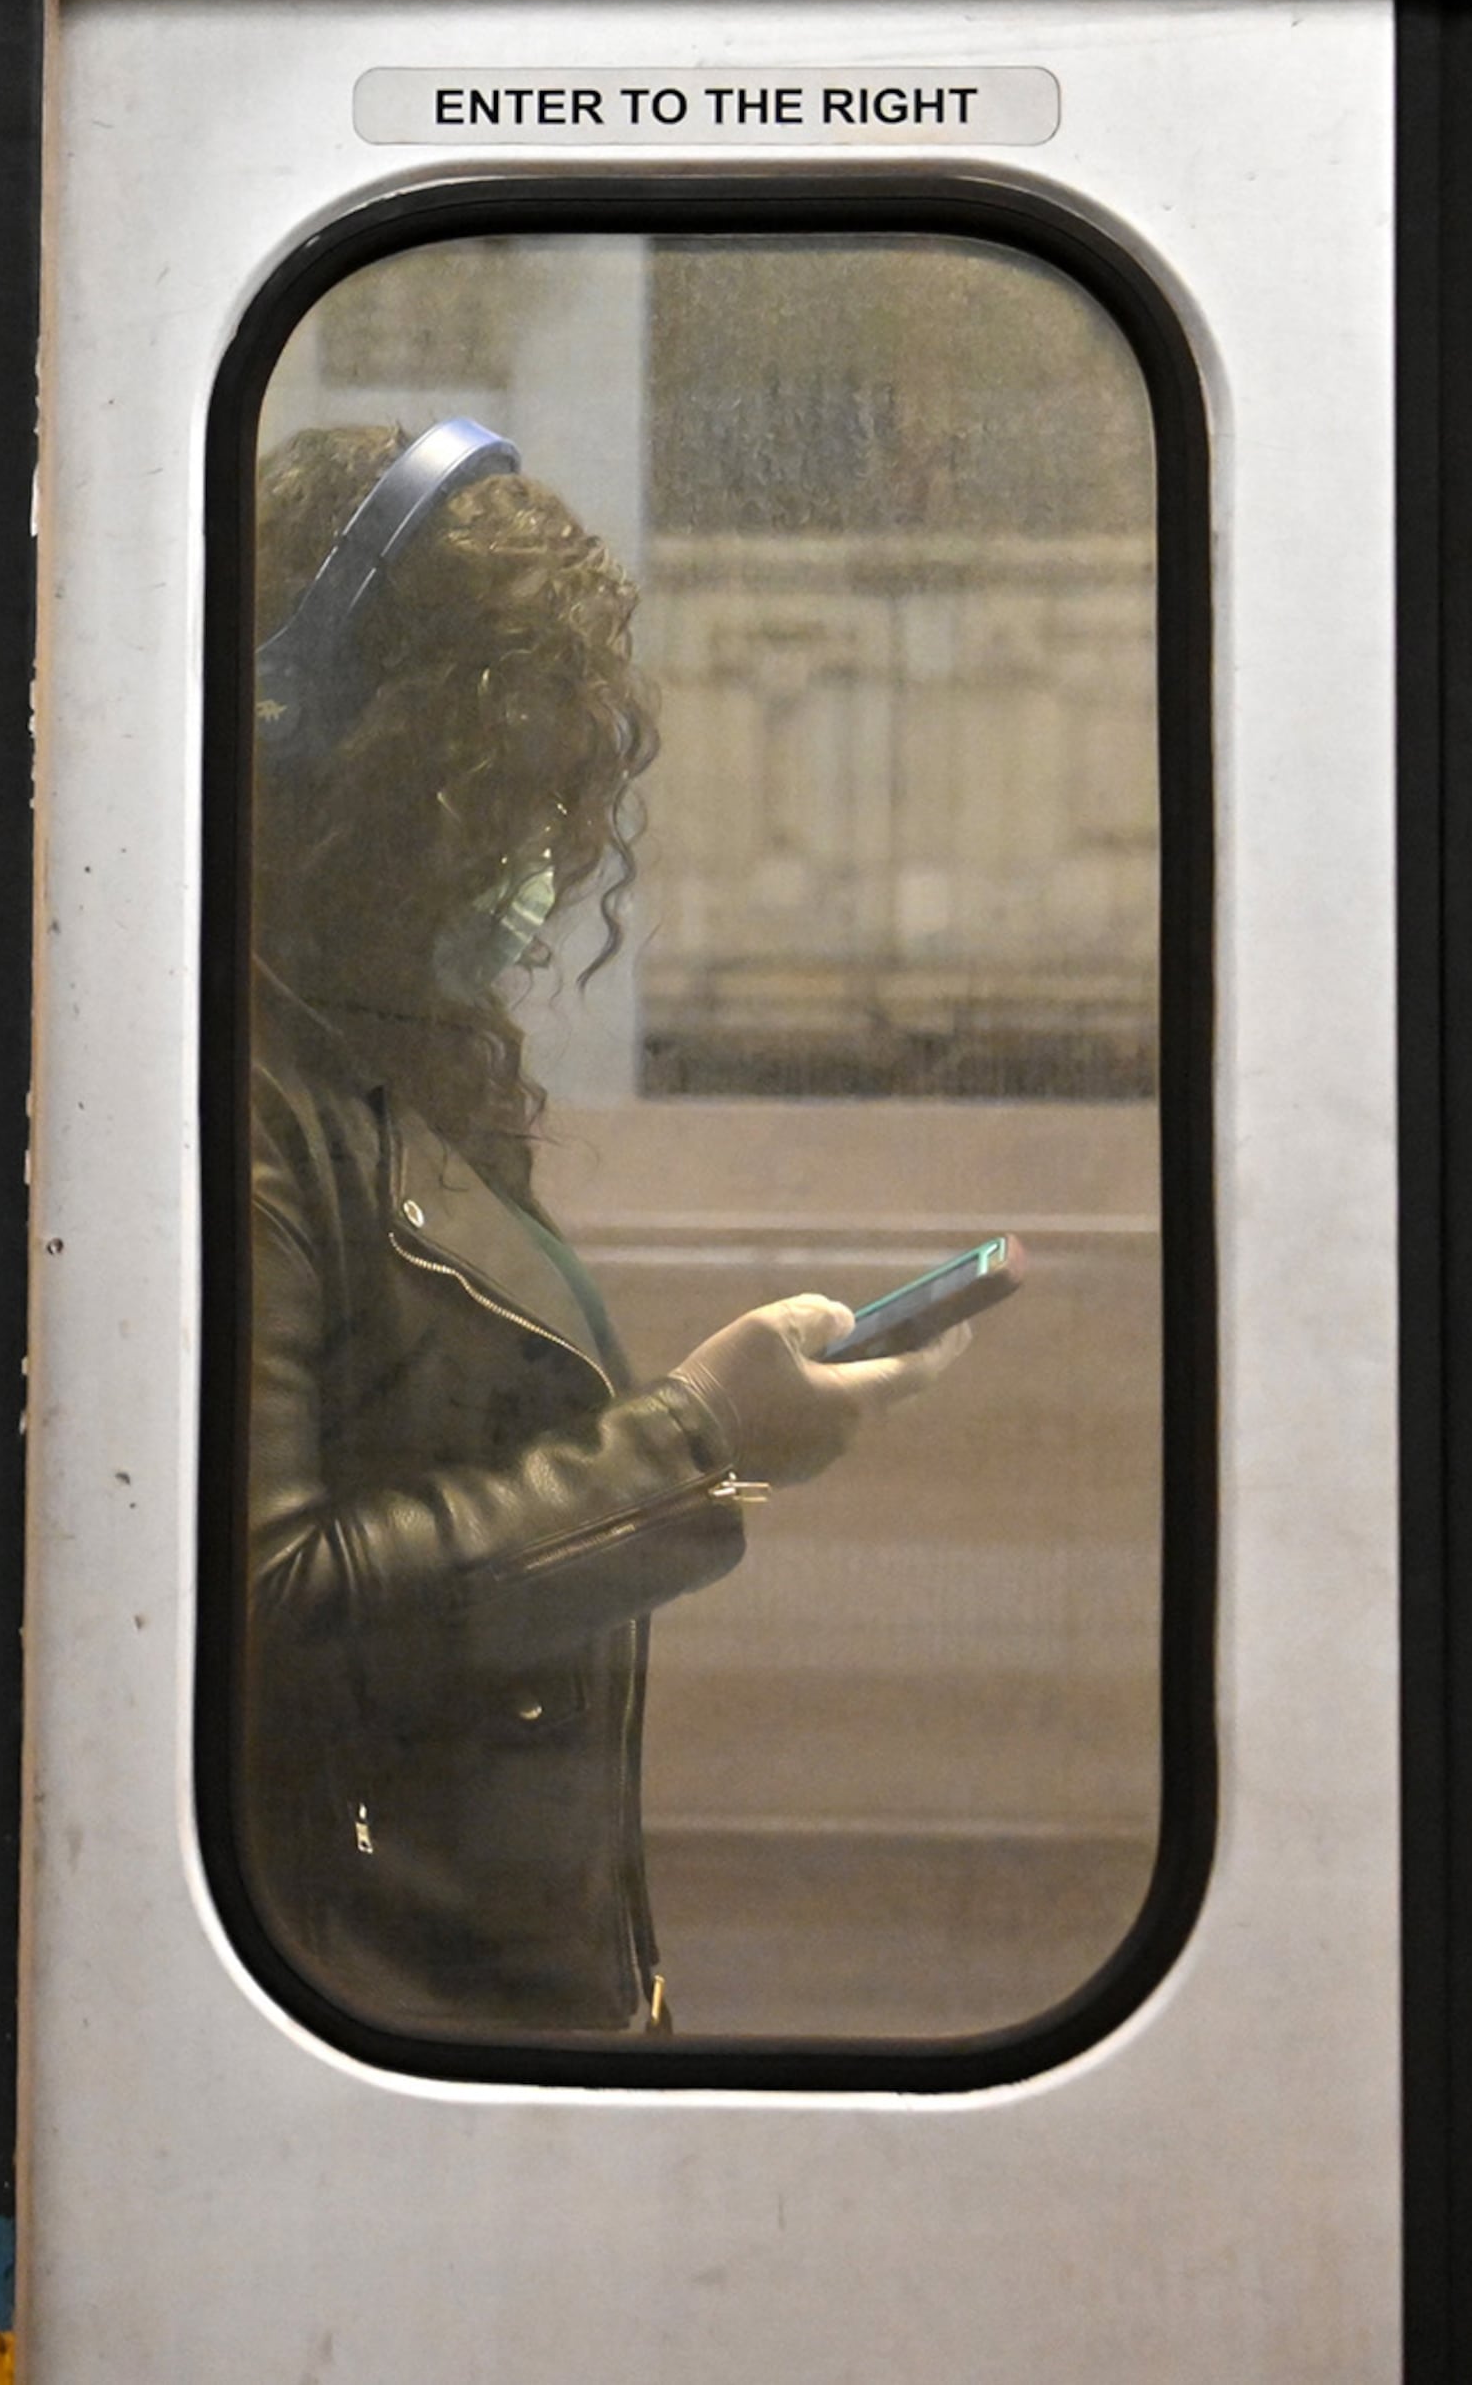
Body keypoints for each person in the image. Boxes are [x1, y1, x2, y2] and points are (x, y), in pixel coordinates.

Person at [237, 420, 965, 2037]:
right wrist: (695, 1442)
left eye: (551, 806)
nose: (531, 864)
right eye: (490, 799)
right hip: (363, 1998)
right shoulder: (253, 1112)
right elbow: (269, 1618)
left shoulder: (387, 1072)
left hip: (468, 1982)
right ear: (326, 763)